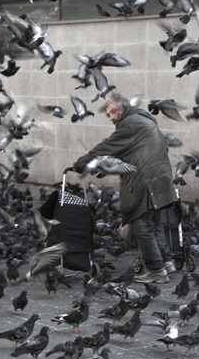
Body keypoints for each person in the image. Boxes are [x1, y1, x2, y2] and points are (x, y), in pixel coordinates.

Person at [73, 92, 179, 284]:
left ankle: (156, 271)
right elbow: (138, 149)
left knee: (142, 226)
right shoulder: (143, 120)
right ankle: (166, 262)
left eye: (114, 112)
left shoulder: (130, 123)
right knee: (154, 222)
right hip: (159, 177)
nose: (112, 117)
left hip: (146, 180)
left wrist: (81, 164)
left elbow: (106, 147)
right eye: (108, 114)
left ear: (123, 109)